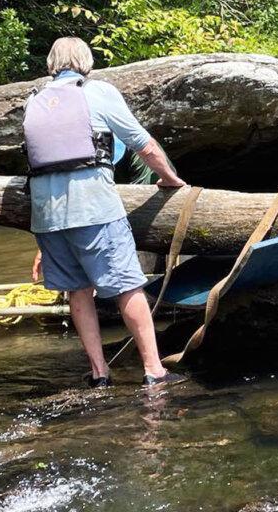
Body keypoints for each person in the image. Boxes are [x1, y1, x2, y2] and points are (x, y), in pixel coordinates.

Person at [25, 37, 187, 388]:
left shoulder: (34, 100)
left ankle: (99, 372)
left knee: (77, 291)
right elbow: (143, 144)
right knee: (128, 285)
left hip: (47, 217)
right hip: (94, 208)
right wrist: (173, 181)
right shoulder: (98, 92)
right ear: (86, 62)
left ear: (52, 63)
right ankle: (153, 370)